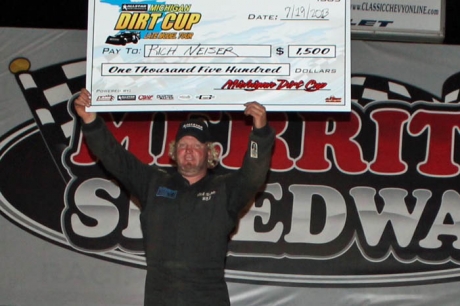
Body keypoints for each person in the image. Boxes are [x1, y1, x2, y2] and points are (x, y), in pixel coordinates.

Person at [74, 88, 275, 306]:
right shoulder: (153, 182)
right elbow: (115, 158)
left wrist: (261, 132)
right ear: (174, 150)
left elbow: (254, 174)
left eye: (197, 145)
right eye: (183, 145)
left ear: (209, 152)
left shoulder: (225, 189)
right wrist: (91, 121)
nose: (189, 151)